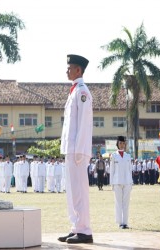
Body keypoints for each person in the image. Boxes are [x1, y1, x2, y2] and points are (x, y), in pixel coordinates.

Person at [58, 54, 93, 244]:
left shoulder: (82, 92)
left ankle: (85, 230)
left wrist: (80, 150)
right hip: (70, 149)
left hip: (77, 151)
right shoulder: (73, 92)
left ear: (78, 70)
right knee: (72, 191)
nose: (67, 70)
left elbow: (84, 124)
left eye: (70, 67)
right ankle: (76, 227)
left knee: (79, 190)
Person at [110, 136, 133, 229]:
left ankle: (125, 222)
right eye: (120, 143)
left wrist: (131, 182)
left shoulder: (128, 156)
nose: (122, 145)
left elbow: (130, 169)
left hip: (127, 182)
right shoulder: (114, 156)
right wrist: (111, 183)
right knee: (118, 203)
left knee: (126, 203)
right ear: (117, 144)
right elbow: (112, 170)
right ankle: (120, 222)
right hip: (117, 182)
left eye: (123, 143)